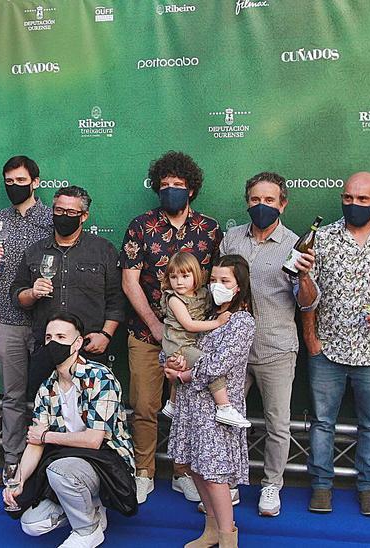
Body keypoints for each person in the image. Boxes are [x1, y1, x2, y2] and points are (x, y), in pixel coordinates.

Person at [302, 171, 370, 516]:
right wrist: (311, 338)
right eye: (348, 198)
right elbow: (307, 297)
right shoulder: (323, 238)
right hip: (327, 348)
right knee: (322, 423)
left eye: (362, 199)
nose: (353, 204)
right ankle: (320, 486)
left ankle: (368, 487)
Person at [119, 150, 222, 503]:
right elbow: (130, 282)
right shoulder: (140, 226)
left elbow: (218, 284)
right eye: (165, 185)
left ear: (191, 189)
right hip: (148, 336)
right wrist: (156, 325)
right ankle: (143, 472)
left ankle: (183, 472)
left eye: (178, 185)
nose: (171, 190)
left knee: (189, 407)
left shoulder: (210, 229)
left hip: (193, 341)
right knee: (146, 406)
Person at [217, 171, 318, 517]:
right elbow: (218, 289)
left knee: (277, 423)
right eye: (256, 200)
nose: (262, 206)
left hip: (275, 347)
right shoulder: (231, 239)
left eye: (270, 200)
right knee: (225, 418)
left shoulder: (295, 246)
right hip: (232, 349)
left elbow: (307, 302)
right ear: (247, 202)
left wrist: (304, 276)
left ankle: (272, 485)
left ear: (283, 204)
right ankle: (226, 481)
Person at [4, 313, 136, 548]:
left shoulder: (100, 377)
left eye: (61, 336)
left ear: (77, 343)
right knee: (31, 524)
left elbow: (94, 440)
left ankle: (88, 531)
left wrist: (45, 436)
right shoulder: (46, 387)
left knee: (59, 470)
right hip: (66, 463)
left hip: (107, 462)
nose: (53, 342)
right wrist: (18, 480)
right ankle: (89, 508)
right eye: (49, 337)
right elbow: (35, 443)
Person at [166, 254, 256, 548]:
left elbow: (218, 365)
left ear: (239, 286)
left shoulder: (241, 322)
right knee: (196, 469)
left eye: (225, 281)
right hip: (192, 408)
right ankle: (212, 530)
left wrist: (184, 375)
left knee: (215, 476)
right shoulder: (203, 315)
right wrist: (172, 364)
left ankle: (229, 537)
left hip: (216, 414)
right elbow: (179, 345)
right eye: (214, 279)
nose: (217, 285)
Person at [11, 185, 123, 398]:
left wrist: (106, 335)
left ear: (84, 216)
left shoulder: (103, 250)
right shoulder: (35, 251)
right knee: (43, 414)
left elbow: (116, 300)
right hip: (46, 348)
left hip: (89, 347)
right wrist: (32, 293)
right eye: (59, 211)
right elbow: (17, 295)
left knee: (90, 414)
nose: (64, 216)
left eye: (71, 213)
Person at [0, 155, 53, 487]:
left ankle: (47, 464)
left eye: (20, 181)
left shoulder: (53, 219)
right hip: (6, 319)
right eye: (8, 182)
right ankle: (12, 461)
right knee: (12, 395)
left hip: (46, 322)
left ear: (35, 182)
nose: (14, 187)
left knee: (50, 395)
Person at [159, 251, 246, 429]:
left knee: (195, 365)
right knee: (204, 362)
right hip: (180, 344)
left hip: (189, 345)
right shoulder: (174, 300)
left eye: (185, 276)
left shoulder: (203, 295)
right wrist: (218, 322)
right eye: (174, 277)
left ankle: (172, 405)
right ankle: (223, 407)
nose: (179, 281)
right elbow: (190, 325)